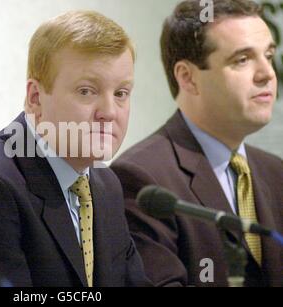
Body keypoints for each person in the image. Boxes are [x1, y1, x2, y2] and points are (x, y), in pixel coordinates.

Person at [0, 10, 150, 287]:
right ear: (36, 98)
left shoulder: (106, 185)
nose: (109, 112)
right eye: (87, 91)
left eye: (121, 93)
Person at [111, 0, 282, 287]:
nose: (267, 74)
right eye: (242, 60)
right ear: (188, 78)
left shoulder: (275, 171)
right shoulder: (140, 179)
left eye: (268, 55)